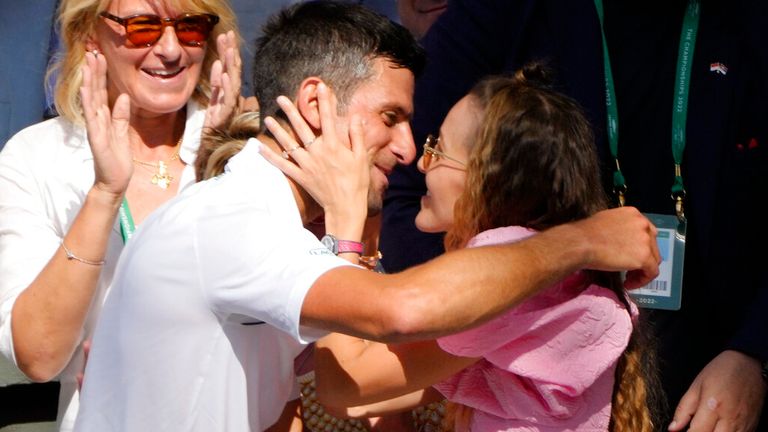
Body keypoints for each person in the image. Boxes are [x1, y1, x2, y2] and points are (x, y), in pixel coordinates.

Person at [73, 2, 659, 431]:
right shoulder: (237, 221)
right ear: (315, 105)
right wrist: (582, 240)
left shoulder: (261, 223)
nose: (408, 151)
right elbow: (390, 325)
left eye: (425, 137)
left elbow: (294, 400)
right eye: (391, 117)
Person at [313, 67, 659, 432]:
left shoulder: (512, 265)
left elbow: (342, 383)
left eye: (439, 149)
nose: (421, 163)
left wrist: (342, 229)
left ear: (485, 176)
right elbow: (361, 398)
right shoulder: (558, 281)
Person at [0, 0, 243, 430]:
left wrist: (220, 165)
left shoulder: (244, 152)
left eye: (190, 27)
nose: (170, 49)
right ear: (90, 36)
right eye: (142, 28)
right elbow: (38, 355)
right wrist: (105, 193)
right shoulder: (37, 157)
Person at [594, 1, 768, 431]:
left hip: (720, 378)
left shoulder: (750, 28)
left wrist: (757, 352)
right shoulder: (534, 18)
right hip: (589, 382)